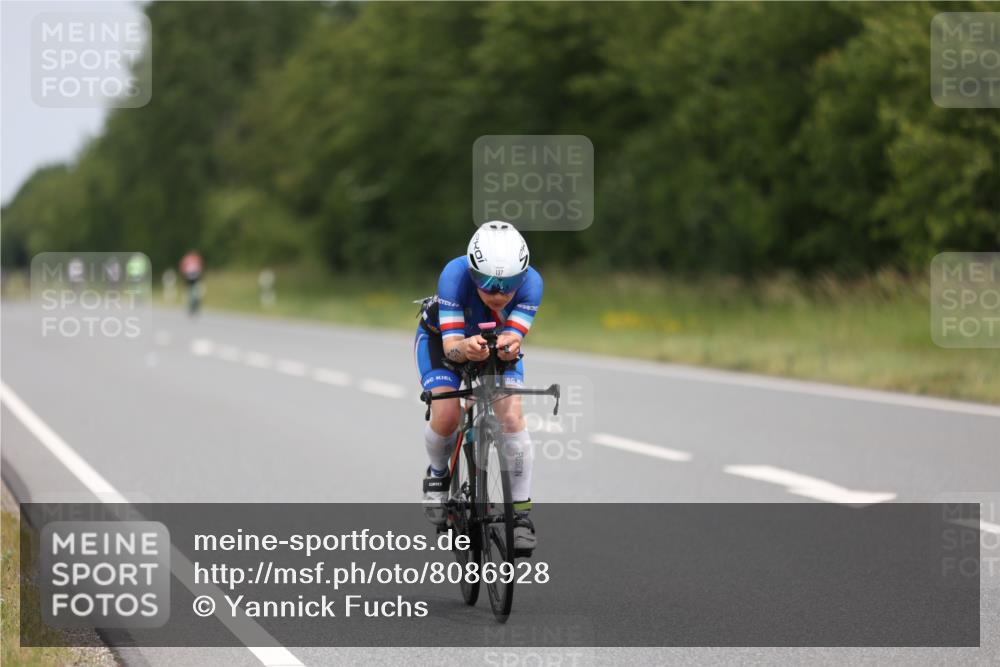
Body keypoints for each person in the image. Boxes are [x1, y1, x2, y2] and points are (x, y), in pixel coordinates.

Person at [414, 221, 542, 551]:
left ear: (523, 276)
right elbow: (451, 348)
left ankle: (521, 515)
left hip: (492, 344)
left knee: (511, 417)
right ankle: (438, 475)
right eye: (487, 284)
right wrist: (466, 348)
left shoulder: (533, 284)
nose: (499, 294)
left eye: (509, 285)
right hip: (442, 341)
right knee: (446, 414)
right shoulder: (454, 276)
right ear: (472, 274)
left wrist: (510, 347)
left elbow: (512, 337)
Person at [179, 250, 204, 316]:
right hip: (191, 277)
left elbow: (183, 267)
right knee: (192, 292)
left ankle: (193, 307)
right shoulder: (194, 258)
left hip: (192, 277)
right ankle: (192, 307)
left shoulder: (191, 258)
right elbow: (200, 267)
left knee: (193, 292)